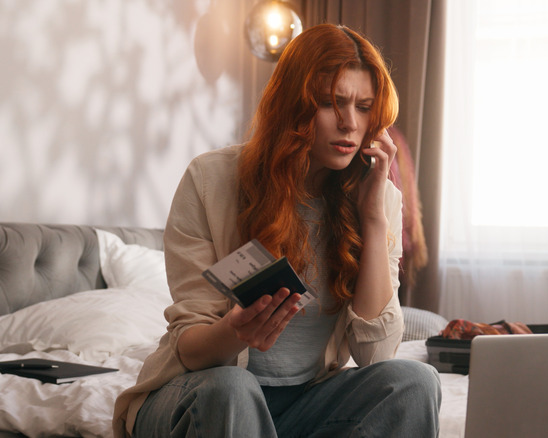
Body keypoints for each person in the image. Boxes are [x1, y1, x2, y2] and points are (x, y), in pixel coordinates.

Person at [112, 24, 442, 438]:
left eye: (363, 107)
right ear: (293, 104)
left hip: (305, 402)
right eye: (330, 103)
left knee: (415, 381)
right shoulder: (210, 180)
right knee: (234, 387)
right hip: (200, 390)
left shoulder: (379, 198)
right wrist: (235, 331)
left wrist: (374, 219)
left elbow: (376, 356)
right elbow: (190, 348)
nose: (349, 123)